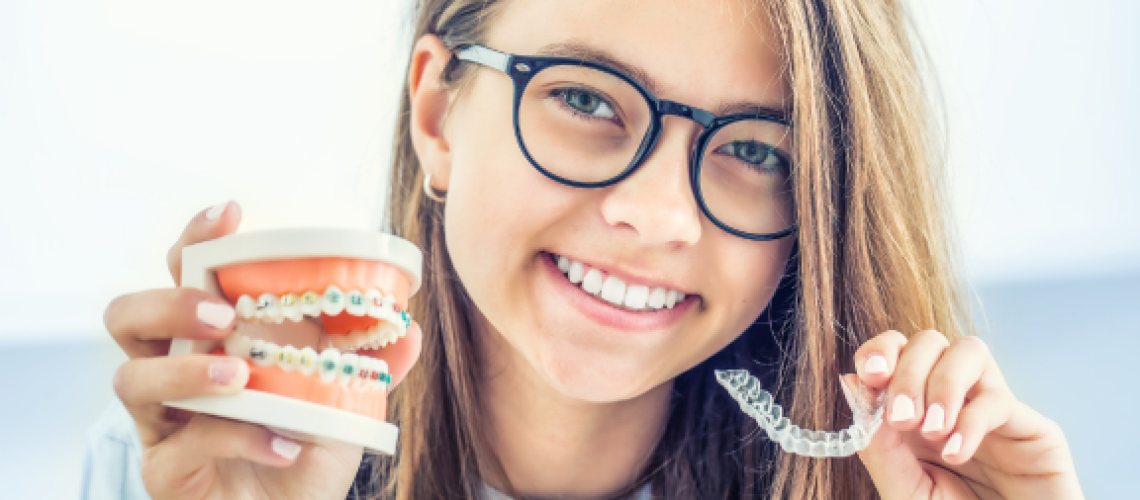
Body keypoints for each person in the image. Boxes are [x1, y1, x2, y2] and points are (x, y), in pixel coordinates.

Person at [91, 0, 1084, 498]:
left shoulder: (894, 481)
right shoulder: (178, 460)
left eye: (751, 149)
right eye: (583, 99)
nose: (657, 214)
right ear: (438, 112)